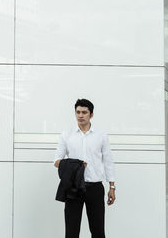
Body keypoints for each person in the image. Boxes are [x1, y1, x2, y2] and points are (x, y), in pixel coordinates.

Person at [54, 98, 116, 238]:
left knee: (98, 231)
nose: (80, 115)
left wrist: (112, 187)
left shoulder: (101, 135)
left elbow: (108, 162)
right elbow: (57, 161)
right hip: (73, 188)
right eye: (78, 112)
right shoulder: (66, 134)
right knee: (71, 231)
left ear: (91, 114)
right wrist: (76, 164)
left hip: (95, 187)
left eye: (84, 112)